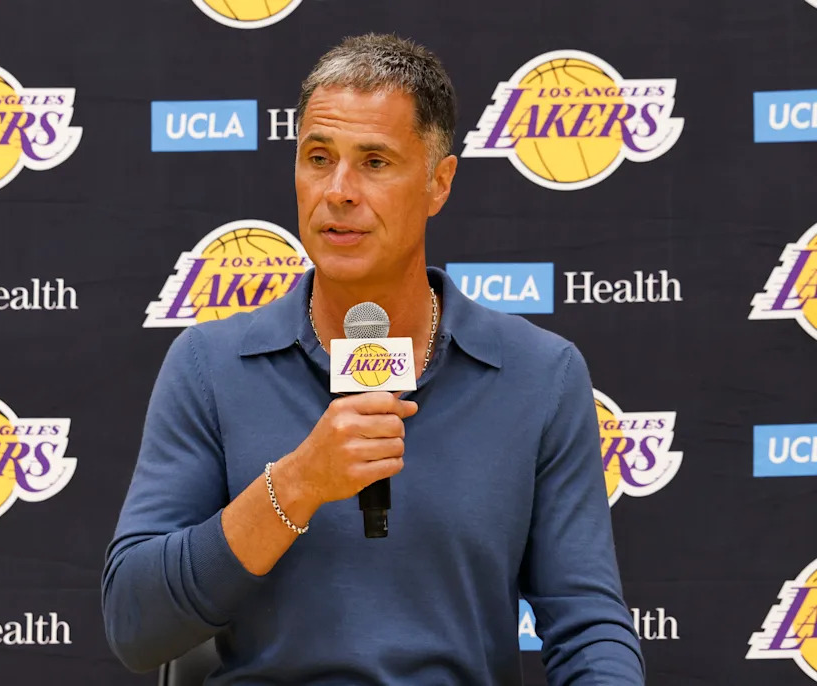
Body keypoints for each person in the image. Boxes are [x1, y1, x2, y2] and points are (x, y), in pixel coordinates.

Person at [102, 33, 645, 685]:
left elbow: (588, 630)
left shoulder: (540, 374)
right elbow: (135, 627)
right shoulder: (209, 365)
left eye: (375, 162)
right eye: (318, 157)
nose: (338, 191)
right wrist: (297, 485)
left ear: (438, 183)